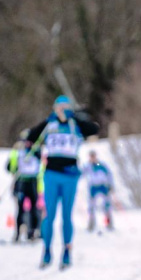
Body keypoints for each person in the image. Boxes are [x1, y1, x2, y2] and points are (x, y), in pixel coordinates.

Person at [26, 96, 100, 269]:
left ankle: (67, 251)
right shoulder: (49, 125)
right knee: (49, 215)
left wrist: (77, 116)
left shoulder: (75, 125)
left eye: (65, 107)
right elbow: (31, 136)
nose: (61, 110)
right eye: (58, 107)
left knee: (66, 216)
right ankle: (46, 250)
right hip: (51, 174)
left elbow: (94, 129)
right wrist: (47, 120)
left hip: (70, 176)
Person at [7, 130, 42, 241]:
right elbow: (10, 167)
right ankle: (18, 233)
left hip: (33, 182)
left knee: (33, 209)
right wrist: (15, 166)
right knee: (21, 209)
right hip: (21, 182)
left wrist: (35, 151)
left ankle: (31, 232)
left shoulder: (36, 151)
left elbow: (41, 164)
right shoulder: (17, 152)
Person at [81, 149, 114, 231]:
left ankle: (109, 223)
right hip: (93, 187)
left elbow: (109, 174)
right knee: (91, 206)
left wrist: (110, 185)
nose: (92, 158)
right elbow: (82, 173)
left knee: (106, 205)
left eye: (94, 156)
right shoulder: (87, 166)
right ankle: (91, 224)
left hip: (103, 186)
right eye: (91, 156)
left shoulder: (101, 165)